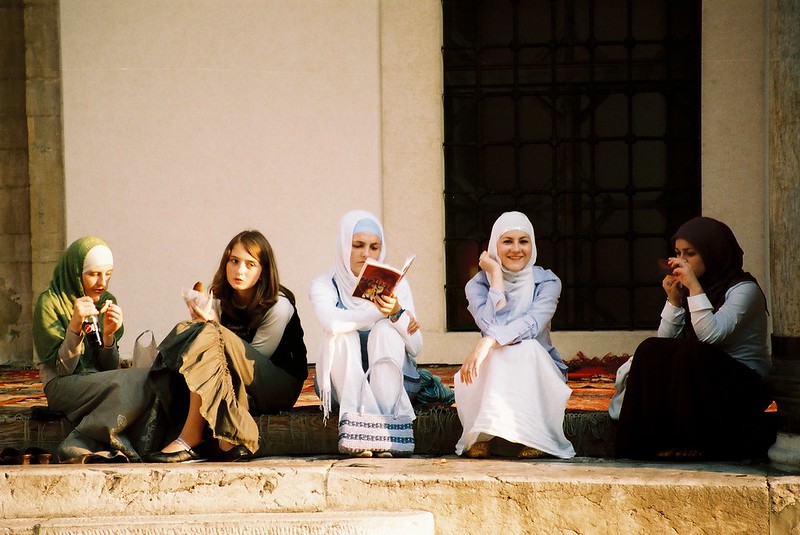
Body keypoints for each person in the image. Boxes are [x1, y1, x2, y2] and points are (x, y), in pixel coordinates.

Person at [615, 216, 773, 461]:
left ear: (713, 253)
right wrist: (674, 300)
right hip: (702, 380)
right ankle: (641, 444)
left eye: (690, 254)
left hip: (743, 385)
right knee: (649, 348)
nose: (681, 261)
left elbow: (711, 337)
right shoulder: (693, 289)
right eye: (677, 253)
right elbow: (665, 344)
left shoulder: (744, 290)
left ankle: (692, 440)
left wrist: (694, 289)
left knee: (690, 353)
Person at [147, 230, 307, 462]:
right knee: (202, 334)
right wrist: (204, 326)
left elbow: (253, 362)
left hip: (276, 383)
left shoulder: (279, 306)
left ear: (263, 271)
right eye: (234, 261)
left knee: (209, 333)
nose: (239, 270)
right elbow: (216, 356)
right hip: (239, 376)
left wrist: (215, 328)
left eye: (250, 264)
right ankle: (226, 439)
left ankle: (192, 436)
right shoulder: (219, 298)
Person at [454, 211, 575, 460]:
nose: (516, 249)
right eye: (507, 241)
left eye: (524, 241)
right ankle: (484, 434)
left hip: (538, 368)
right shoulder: (477, 285)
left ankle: (535, 436)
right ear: (494, 246)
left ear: (532, 244)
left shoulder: (547, 282)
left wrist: (488, 341)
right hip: (495, 368)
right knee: (499, 350)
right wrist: (496, 278)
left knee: (525, 347)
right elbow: (490, 325)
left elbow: (531, 325)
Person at [310, 210, 422, 457]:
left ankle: (384, 431)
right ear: (343, 246)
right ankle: (358, 430)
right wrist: (384, 312)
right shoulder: (324, 284)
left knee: (385, 330)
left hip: (394, 382)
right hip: (342, 384)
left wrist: (394, 315)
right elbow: (332, 322)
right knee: (340, 334)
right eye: (357, 245)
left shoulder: (397, 285)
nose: (366, 254)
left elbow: (416, 347)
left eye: (374, 246)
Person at [33, 236, 154, 462]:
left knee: (150, 380)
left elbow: (107, 367)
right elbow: (63, 370)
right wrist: (75, 326)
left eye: (108, 274)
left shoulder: (106, 300)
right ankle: (77, 443)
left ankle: (92, 445)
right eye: (94, 274)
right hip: (61, 385)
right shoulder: (50, 302)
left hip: (96, 382)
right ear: (75, 272)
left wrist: (108, 335)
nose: (102, 282)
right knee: (129, 382)